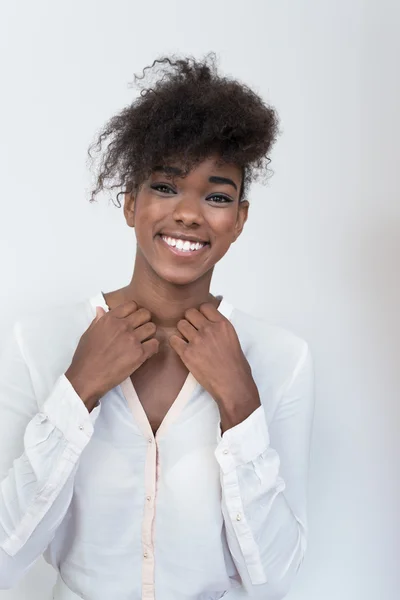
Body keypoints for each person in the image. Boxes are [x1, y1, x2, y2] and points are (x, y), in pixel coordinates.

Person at [0, 54, 315, 600]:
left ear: (239, 218)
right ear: (130, 203)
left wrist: (241, 405)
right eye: (166, 187)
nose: (190, 214)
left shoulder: (282, 357)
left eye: (217, 195)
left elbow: (276, 576)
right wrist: (77, 392)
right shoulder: (38, 343)